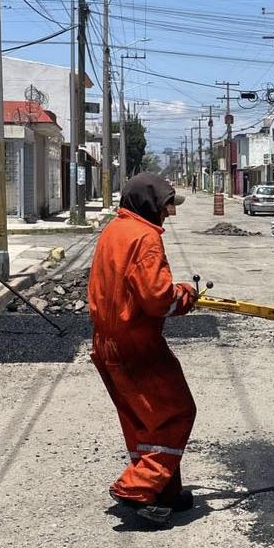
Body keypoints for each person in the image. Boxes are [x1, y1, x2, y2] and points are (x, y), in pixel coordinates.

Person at [88, 172, 200, 526]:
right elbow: (156, 300)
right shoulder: (146, 238)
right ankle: (137, 487)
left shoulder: (114, 230)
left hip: (106, 341)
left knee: (143, 418)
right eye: (167, 207)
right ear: (151, 204)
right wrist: (184, 295)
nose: (171, 214)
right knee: (177, 411)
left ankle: (162, 489)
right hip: (137, 344)